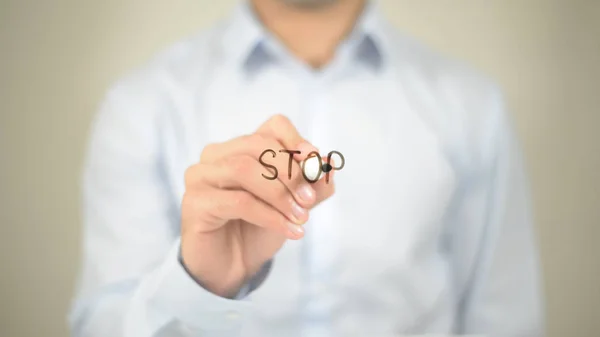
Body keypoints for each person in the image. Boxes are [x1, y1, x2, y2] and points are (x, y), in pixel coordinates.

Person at [68, 0, 544, 336]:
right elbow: (101, 327)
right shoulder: (142, 105)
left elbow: (504, 321)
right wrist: (199, 285)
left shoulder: (472, 107)